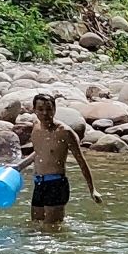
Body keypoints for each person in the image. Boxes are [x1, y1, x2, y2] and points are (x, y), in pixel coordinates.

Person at [23, 91, 100, 226]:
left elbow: (81, 161)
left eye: (49, 109)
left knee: (52, 229)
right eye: (40, 109)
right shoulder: (36, 127)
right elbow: (39, 152)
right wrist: (18, 166)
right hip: (39, 183)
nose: (45, 113)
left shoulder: (65, 132)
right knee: (35, 225)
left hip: (56, 185)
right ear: (34, 110)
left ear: (55, 110)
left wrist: (92, 189)